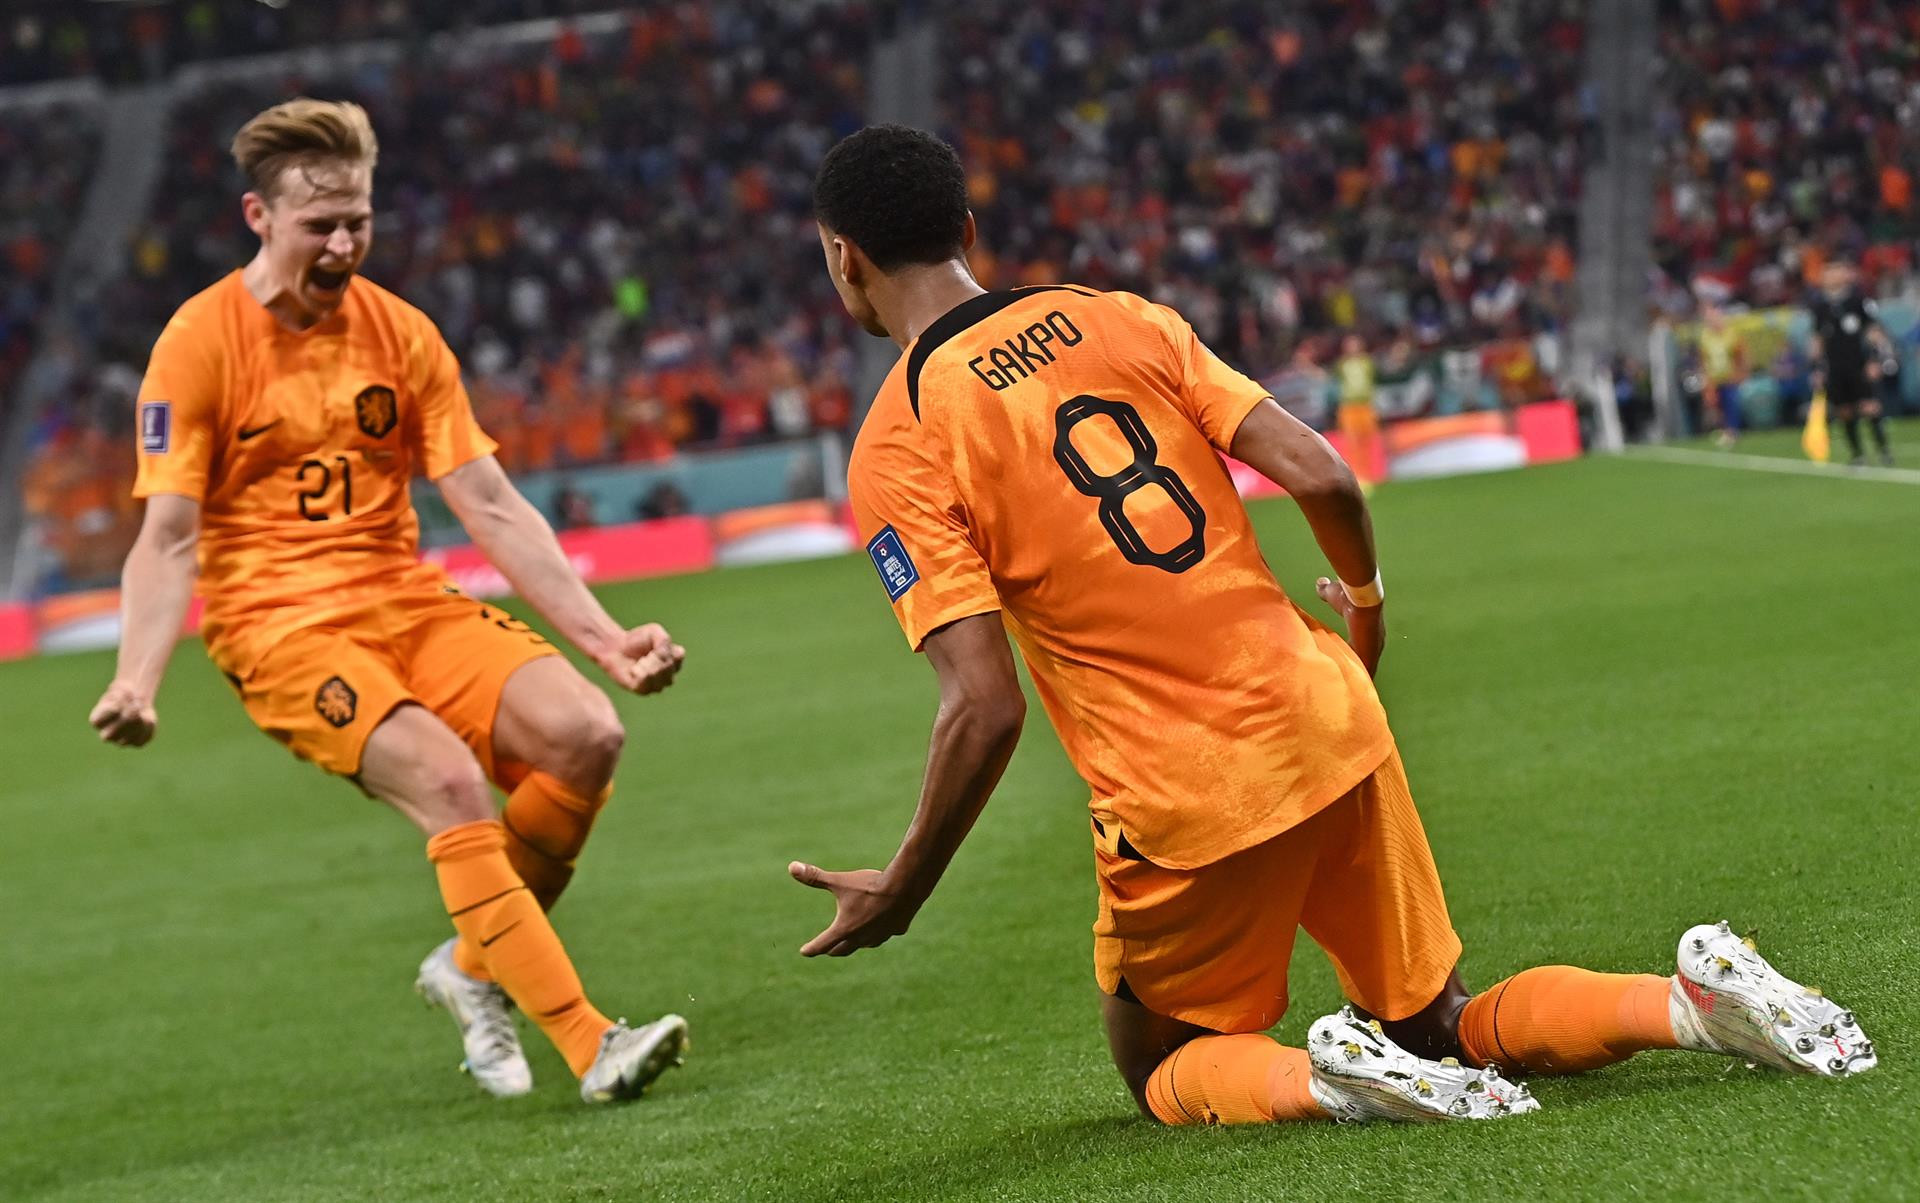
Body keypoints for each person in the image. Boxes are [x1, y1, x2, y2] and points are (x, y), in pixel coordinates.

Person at [790, 124, 1876, 1127]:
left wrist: (906, 885)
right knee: (1444, 1022)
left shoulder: (900, 441)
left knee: (1159, 1068)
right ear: (968, 231)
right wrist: (1362, 608)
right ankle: (1686, 1004)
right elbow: (1321, 472)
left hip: (1179, 792)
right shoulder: (1121, 318)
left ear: (844, 257)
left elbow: (983, 703)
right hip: (1321, 709)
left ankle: (1328, 1077)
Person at [86, 99, 689, 1104]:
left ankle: (472, 965)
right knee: (451, 786)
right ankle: (592, 1046)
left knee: (587, 736)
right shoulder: (198, 344)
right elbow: (168, 536)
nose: (344, 241)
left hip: (404, 598)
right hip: (280, 629)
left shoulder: (399, 331)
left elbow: (488, 502)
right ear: (258, 217)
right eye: (320, 223)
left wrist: (605, 638)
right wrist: (136, 679)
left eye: (358, 219)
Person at [1810, 261, 1896, 466]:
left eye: (1836, 271)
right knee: (1844, 410)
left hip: (1859, 364)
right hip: (1835, 367)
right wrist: (1816, 369)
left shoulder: (1858, 302)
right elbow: (1818, 340)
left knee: (1869, 407)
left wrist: (1876, 360)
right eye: (1828, 273)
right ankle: (1858, 455)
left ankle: (1883, 450)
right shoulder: (1820, 307)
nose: (1831, 276)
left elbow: (1874, 332)